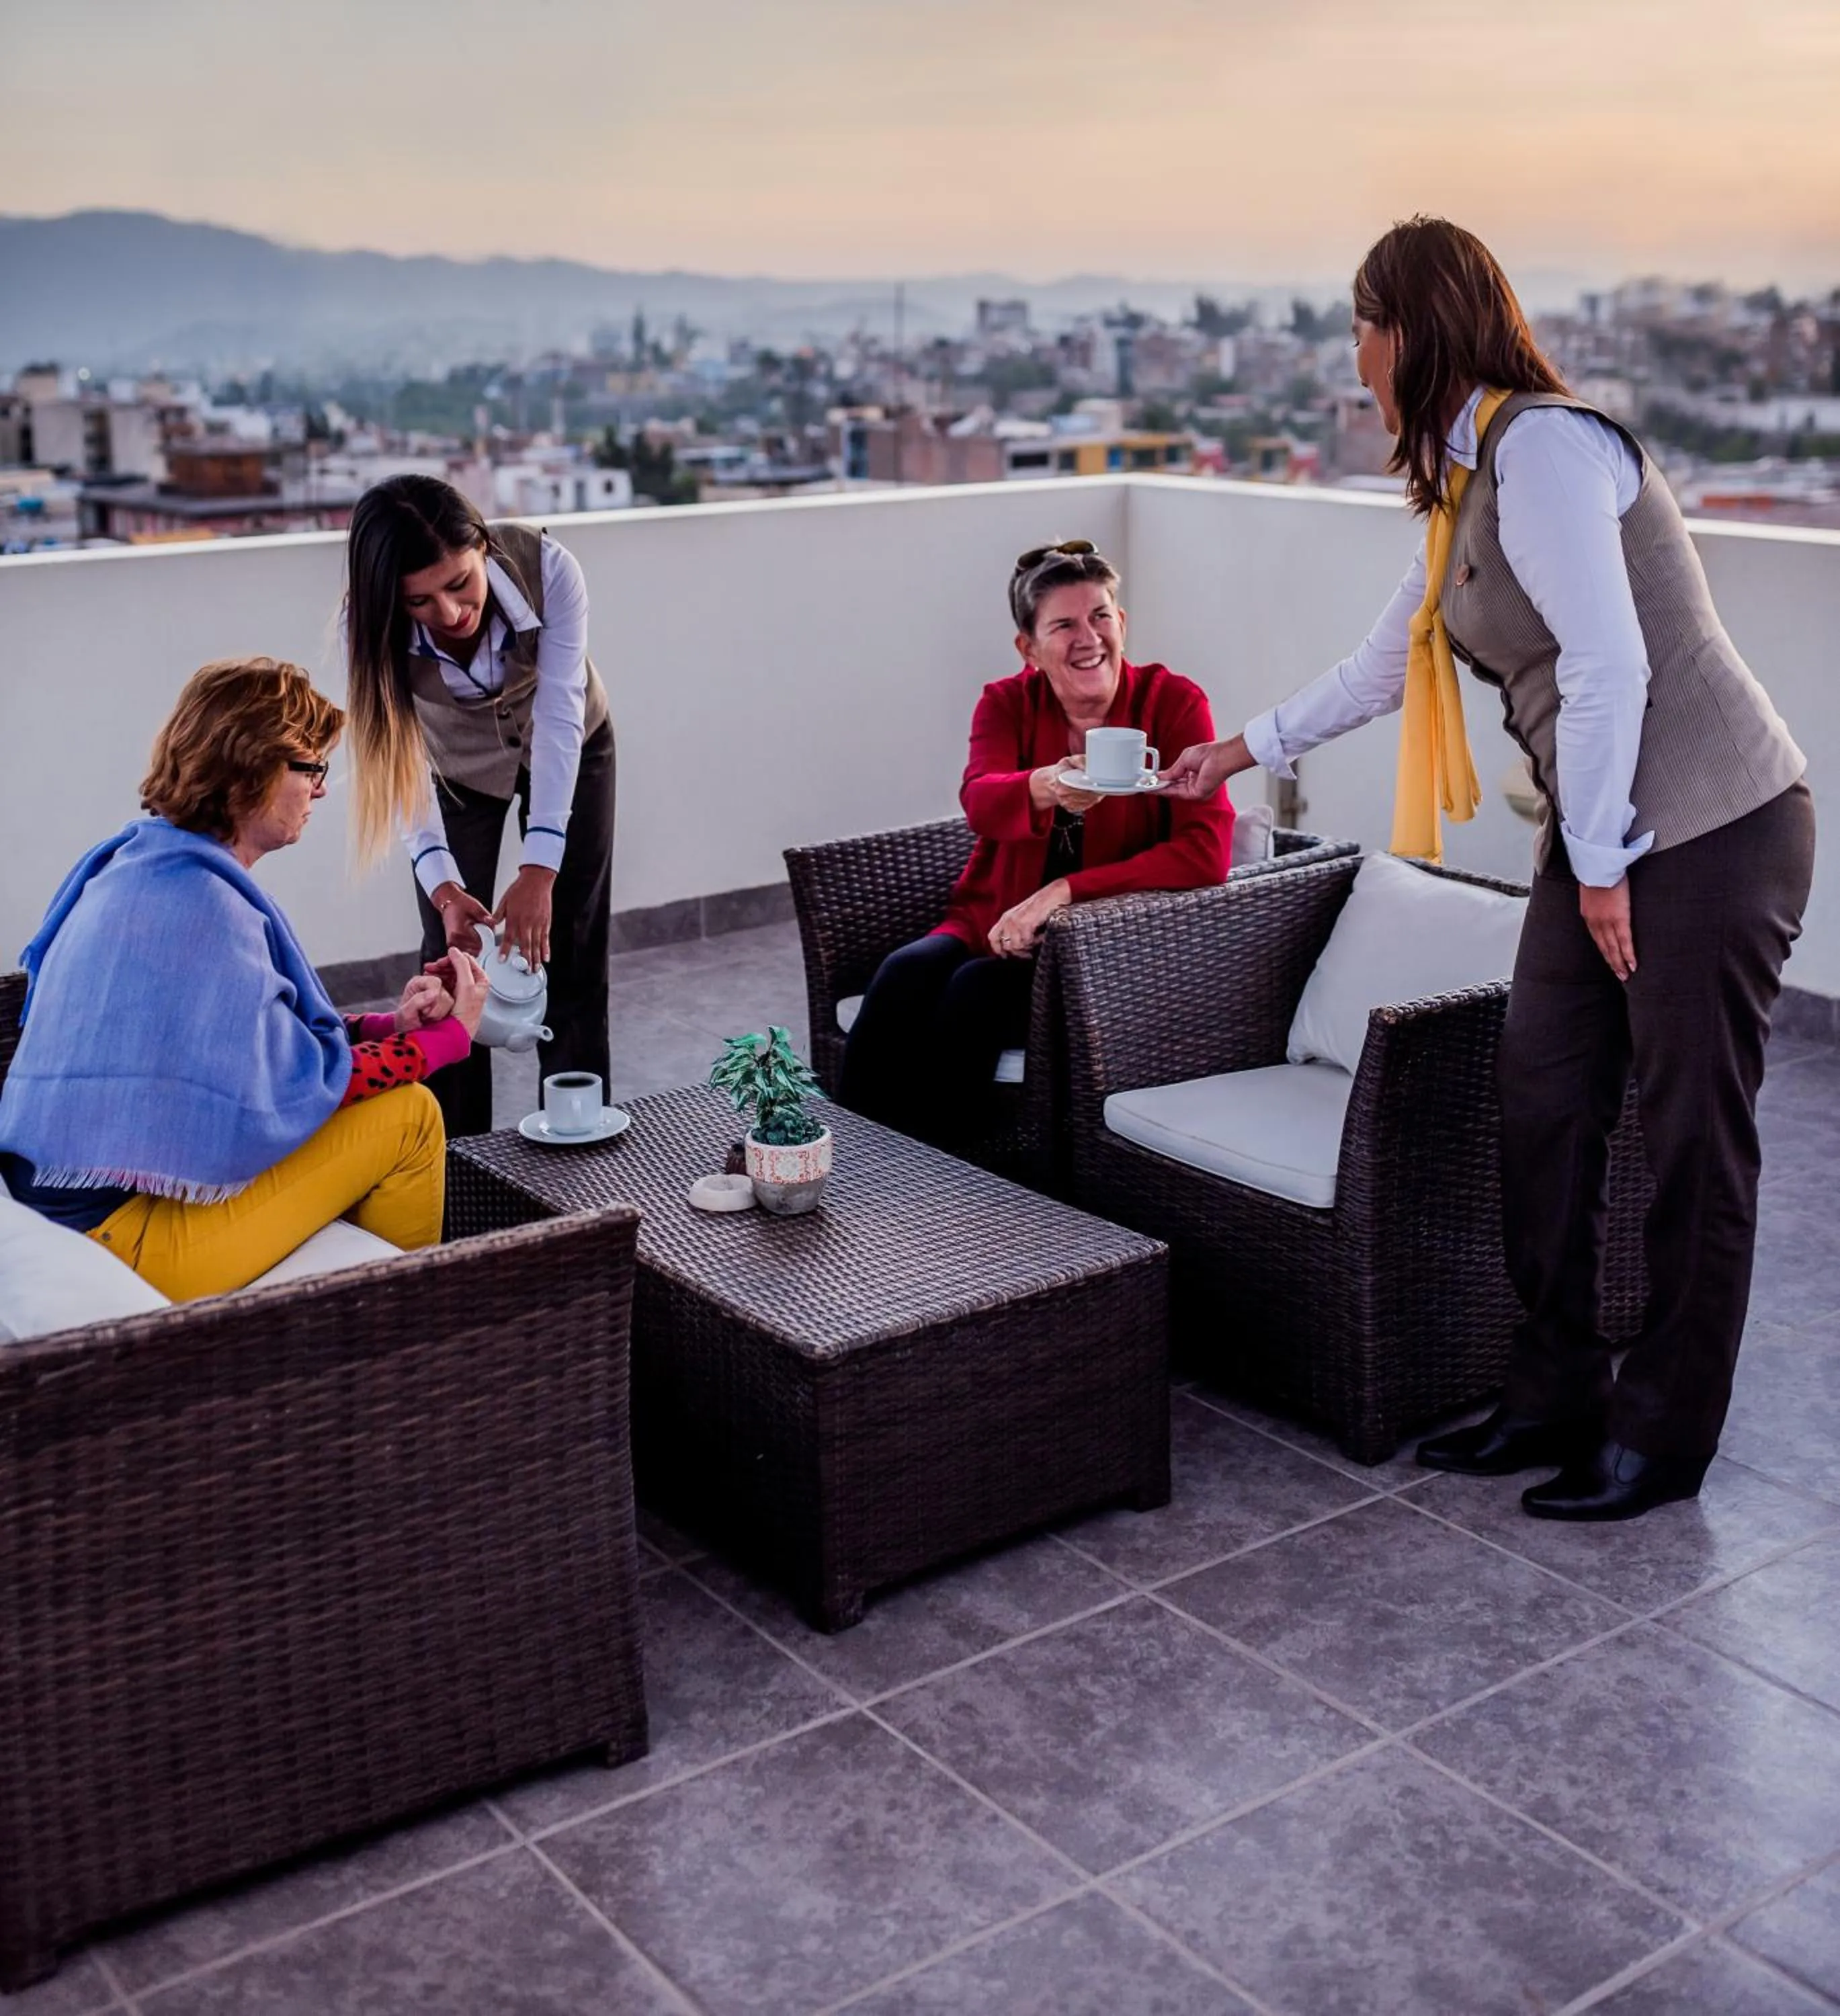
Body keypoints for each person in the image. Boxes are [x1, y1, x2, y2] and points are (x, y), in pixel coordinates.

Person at [1161, 217, 1812, 1521]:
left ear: (1412, 330)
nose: (1354, 356)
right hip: (1603, 837)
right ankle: (1555, 1388)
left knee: (1693, 1135)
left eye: (1362, 327)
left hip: (1713, 827)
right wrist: (1235, 750)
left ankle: (1663, 1435)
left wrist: (1601, 869)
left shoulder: (1549, 449)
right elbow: (1382, 664)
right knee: (1542, 1100)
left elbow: (1609, 665)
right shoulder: (1460, 484)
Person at [0, 657, 487, 1302]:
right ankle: (399, 1332)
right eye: (311, 768)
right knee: (412, 1116)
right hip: (120, 1238)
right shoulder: (207, 908)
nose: (320, 790)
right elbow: (297, 1088)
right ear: (254, 769)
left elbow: (252, 1049)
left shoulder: (137, 865)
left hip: (61, 1201)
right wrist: (448, 1039)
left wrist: (389, 1027)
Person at [840, 540, 1232, 1149]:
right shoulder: (1006, 702)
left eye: (1100, 616)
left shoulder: (1173, 702)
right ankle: (842, 1158)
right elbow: (980, 800)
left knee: (974, 993)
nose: (1089, 638)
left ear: (1122, 622)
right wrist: (1046, 785)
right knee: (902, 974)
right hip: (992, 920)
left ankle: (938, 1172)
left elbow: (1206, 852)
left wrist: (1065, 891)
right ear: (1028, 648)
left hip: (1101, 943)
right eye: (1064, 625)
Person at [342, 474, 615, 1136]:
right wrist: (442, 887)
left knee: (571, 942)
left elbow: (559, 717)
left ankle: (577, 1133)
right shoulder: (369, 622)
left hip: (572, 744)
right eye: (419, 601)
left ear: (483, 548)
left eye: (460, 583)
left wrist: (539, 869)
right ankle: (455, 1155)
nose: (450, 612)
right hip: (455, 768)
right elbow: (398, 761)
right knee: (453, 956)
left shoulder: (550, 570)